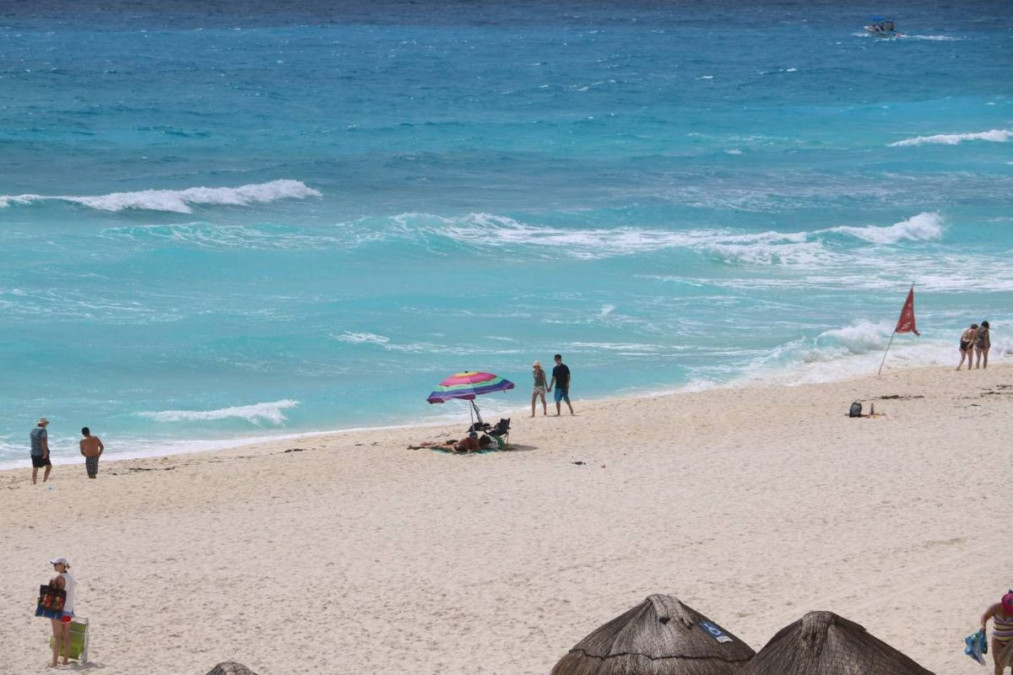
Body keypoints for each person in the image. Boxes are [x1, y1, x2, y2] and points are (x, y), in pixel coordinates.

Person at [48, 557, 76, 668]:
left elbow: (52, 594)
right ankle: (65, 661)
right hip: (68, 611)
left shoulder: (59, 578)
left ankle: (54, 662)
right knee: (67, 634)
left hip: (59, 611)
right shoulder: (71, 578)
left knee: (57, 636)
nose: (54, 566)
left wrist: (51, 582)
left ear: (62, 565)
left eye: (56, 564)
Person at [980, 590, 1013, 675]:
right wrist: (983, 626)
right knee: (998, 664)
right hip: (997, 640)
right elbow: (985, 616)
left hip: (1011, 641)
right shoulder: (996, 607)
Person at [30, 418, 52, 485]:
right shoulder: (43, 430)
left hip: (33, 451)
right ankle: (44, 481)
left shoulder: (32, 430)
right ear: (43, 424)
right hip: (41, 452)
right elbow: (43, 441)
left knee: (35, 468)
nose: (47, 425)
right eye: (46, 423)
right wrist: (45, 452)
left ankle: (34, 483)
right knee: (49, 466)